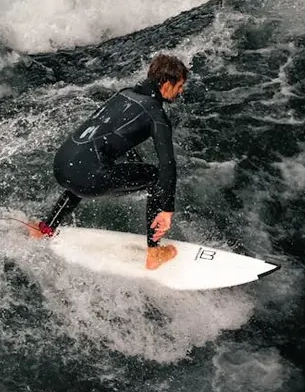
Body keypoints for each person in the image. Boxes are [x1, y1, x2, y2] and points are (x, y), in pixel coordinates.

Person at [29, 54, 189, 271]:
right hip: (88, 179)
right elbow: (167, 165)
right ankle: (154, 252)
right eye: (179, 86)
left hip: (62, 165)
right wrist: (166, 208)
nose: (181, 91)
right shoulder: (156, 114)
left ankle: (45, 228)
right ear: (166, 83)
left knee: (86, 166)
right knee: (154, 176)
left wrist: (132, 169)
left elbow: (114, 136)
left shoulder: (124, 94)